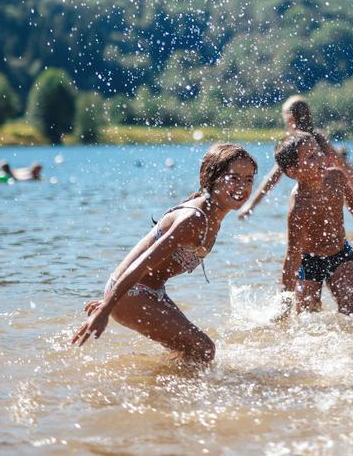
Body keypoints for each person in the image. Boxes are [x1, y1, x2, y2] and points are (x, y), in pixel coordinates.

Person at [71, 144, 257, 362]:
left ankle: (155, 385)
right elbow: (141, 264)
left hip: (147, 291)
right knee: (204, 349)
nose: (242, 186)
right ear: (212, 177)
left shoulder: (213, 214)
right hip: (133, 290)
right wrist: (107, 307)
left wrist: (111, 300)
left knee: (190, 352)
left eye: (249, 179)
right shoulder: (194, 219)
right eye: (234, 178)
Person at [274, 132, 353, 316]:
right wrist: (285, 301)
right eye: (311, 156)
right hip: (309, 262)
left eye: (319, 151)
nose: (321, 157)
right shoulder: (299, 207)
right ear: (293, 171)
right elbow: (292, 255)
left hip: (340, 254)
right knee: (307, 319)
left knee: (352, 315)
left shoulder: (336, 177)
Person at [238, 95, 353, 218]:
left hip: (308, 196)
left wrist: (250, 205)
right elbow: (343, 166)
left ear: (290, 119)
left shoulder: (296, 144)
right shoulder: (318, 137)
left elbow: (273, 178)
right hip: (328, 192)